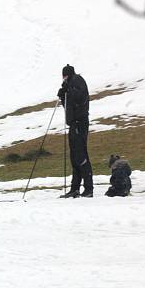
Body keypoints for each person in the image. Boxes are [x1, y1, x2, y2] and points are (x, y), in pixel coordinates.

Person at [57, 64, 93, 198]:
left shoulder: (77, 80)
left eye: (65, 76)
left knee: (81, 155)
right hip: (73, 124)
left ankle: (88, 188)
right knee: (74, 157)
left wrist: (68, 90)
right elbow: (69, 106)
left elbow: (80, 98)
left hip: (80, 123)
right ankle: (75, 188)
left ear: (69, 74)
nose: (63, 78)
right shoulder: (71, 83)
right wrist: (63, 96)